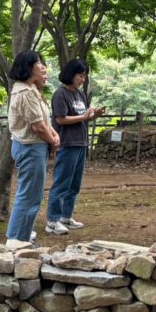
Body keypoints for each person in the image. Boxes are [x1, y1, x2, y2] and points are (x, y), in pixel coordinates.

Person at [5, 51, 59, 242]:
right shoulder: (25, 92)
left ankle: (22, 236)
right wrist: (53, 141)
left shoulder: (31, 89)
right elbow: (37, 126)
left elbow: (43, 120)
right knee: (28, 196)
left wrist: (54, 134)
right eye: (38, 63)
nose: (43, 66)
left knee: (32, 196)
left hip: (33, 147)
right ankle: (16, 240)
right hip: (30, 147)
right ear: (28, 67)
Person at [45, 59, 102, 235]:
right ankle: (52, 220)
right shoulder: (60, 95)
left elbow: (82, 116)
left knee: (74, 184)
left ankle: (65, 216)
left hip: (81, 143)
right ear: (71, 74)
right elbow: (61, 119)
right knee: (61, 183)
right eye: (80, 75)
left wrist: (93, 115)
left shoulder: (79, 94)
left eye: (84, 76)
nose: (82, 79)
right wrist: (84, 117)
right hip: (67, 144)